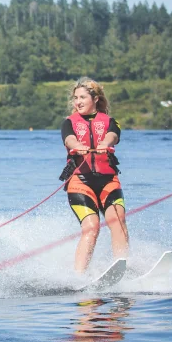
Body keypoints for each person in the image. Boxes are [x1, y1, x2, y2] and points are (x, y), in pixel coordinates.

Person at [61, 77, 129, 273]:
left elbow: (113, 135)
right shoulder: (69, 123)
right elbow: (69, 139)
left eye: (82, 97)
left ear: (96, 99)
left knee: (118, 222)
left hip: (108, 181)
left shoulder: (110, 122)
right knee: (92, 228)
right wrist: (78, 146)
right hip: (80, 183)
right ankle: (79, 277)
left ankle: (122, 268)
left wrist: (105, 143)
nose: (78, 102)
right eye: (75, 98)